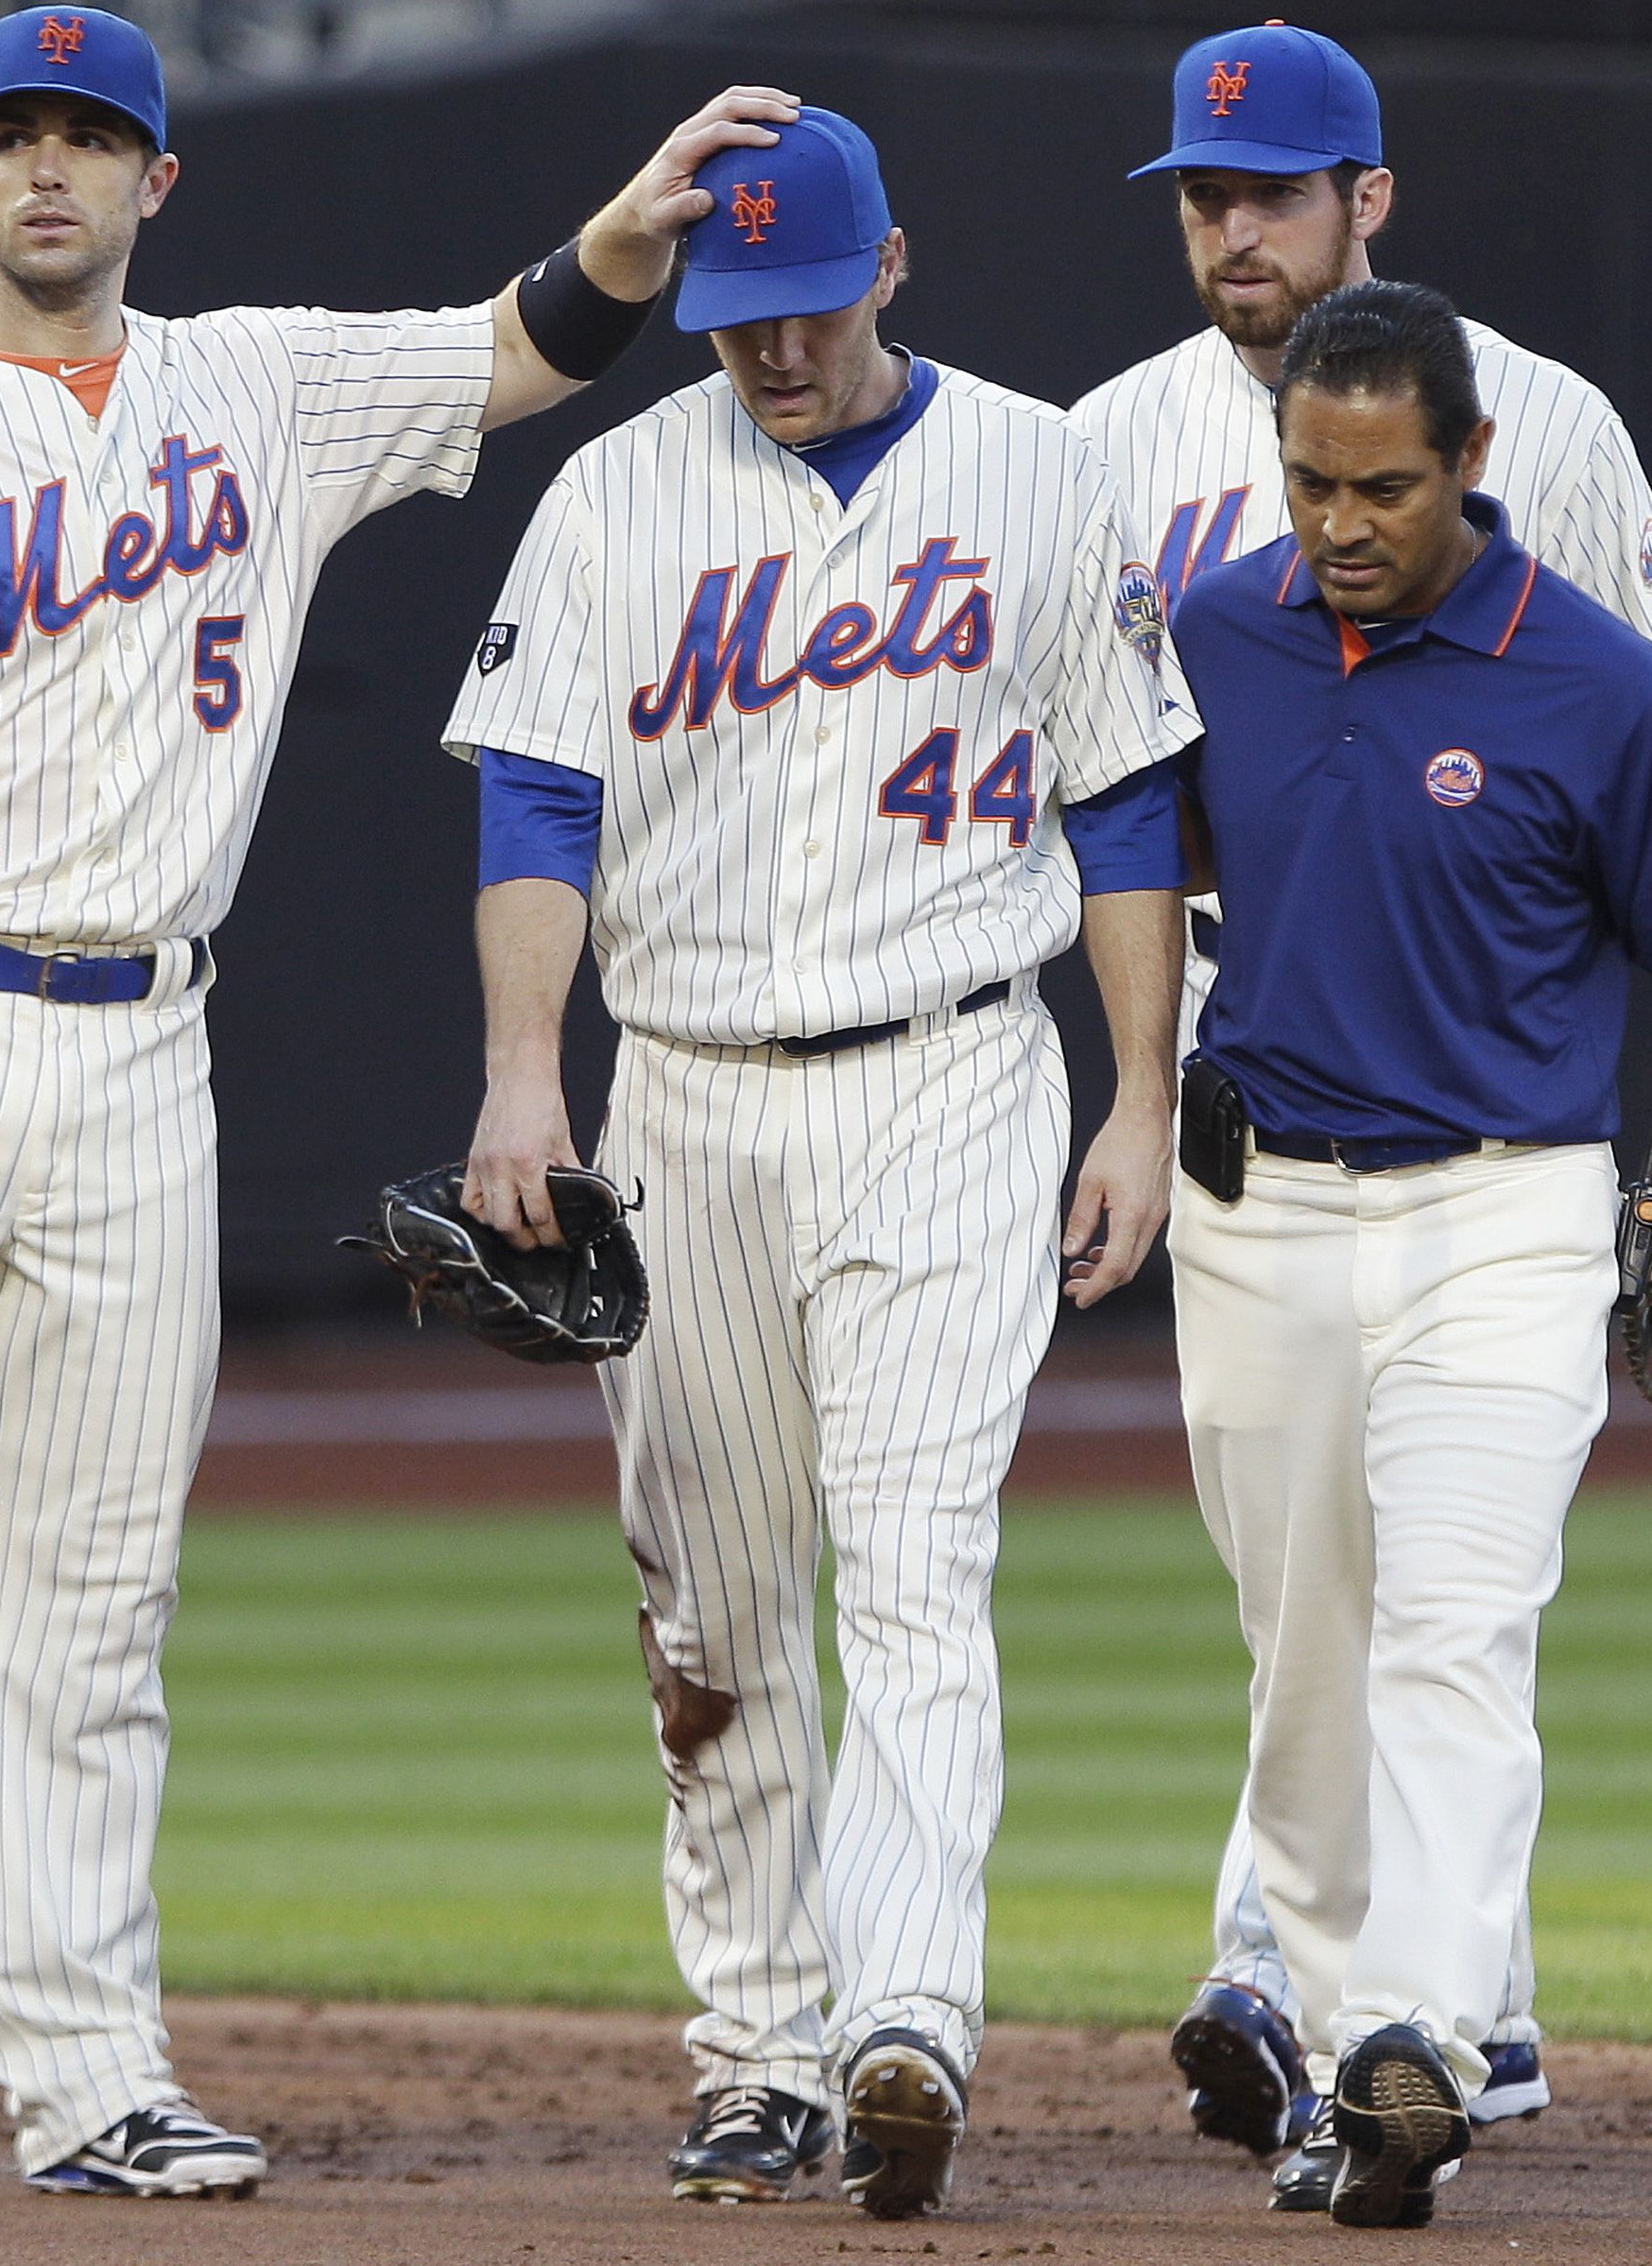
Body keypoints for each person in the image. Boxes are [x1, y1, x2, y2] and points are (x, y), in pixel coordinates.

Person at [0, 2, 797, 2199]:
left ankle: (86, 2064)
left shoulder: (261, 383)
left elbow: (521, 349)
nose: (50, 171)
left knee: (99, 1590)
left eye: (90, 139)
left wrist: (619, 229)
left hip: (141, 1052)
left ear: (155, 181)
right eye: (12, 137)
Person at [1065, 19, 1652, 2189]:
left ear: (1362, 200)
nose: (1228, 224)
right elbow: (1115, 824)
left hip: (1502, 1163)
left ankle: (1416, 2029)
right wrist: (1124, 1091)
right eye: (1199, 191)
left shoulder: (1553, 489)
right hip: (1253, 1136)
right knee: (1302, 1641)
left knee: (1452, 1621)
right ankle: (1318, 2011)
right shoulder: (1153, 507)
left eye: (1268, 189)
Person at [439, 107, 1199, 2219]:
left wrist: (1138, 1096)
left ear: (886, 268)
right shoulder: (615, 490)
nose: (759, 351)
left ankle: (904, 2021)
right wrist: (525, 1074)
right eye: (725, 318)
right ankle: (762, 2045)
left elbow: (1128, 801)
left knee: (914, 1556)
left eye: (792, 309)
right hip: (678, 1088)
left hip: (953, 1072)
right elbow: (531, 801)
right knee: (707, 1597)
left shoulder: (1040, 468)